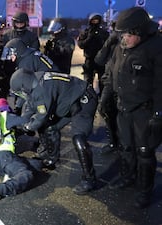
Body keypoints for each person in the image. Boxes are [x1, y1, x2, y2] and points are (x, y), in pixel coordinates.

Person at [102, 7, 162, 209]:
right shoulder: (121, 48)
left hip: (145, 110)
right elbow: (112, 74)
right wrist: (106, 98)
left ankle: (144, 189)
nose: (124, 39)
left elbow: (161, 84)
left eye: (128, 35)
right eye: (122, 34)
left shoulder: (156, 47)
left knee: (144, 151)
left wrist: (158, 113)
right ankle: (128, 176)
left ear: (139, 32)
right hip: (124, 107)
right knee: (126, 146)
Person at [10, 68, 98, 195]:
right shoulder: (35, 81)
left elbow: (40, 117)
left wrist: (27, 127)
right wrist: (20, 121)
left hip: (83, 100)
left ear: (24, 86)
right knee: (51, 128)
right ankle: (52, 158)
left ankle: (89, 179)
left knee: (79, 139)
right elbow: (30, 107)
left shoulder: (41, 89)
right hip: (69, 102)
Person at [1, 37, 59, 115]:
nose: (11, 59)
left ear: (17, 51)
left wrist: (18, 107)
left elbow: (25, 86)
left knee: (31, 106)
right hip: (53, 80)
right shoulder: (30, 53)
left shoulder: (26, 62)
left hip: (51, 85)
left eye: (11, 55)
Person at [0, 11, 40, 99]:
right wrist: (0, 66)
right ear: (13, 23)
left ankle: (19, 109)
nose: (19, 25)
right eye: (17, 23)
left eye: (21, 23)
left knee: (23, 91)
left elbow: (35, 51)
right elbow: (0, 50)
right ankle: (1, 108)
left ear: (26, 23)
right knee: (2, 90)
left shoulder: (32, 36)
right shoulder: (6, 35)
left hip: (24, 67)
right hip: (8, 66)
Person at [94, 13, 120, 154]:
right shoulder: (112, 42)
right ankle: (113, 141)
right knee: (103, 108)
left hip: (126, 82)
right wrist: (109, 42)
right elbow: (99, 59)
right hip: (110, 80)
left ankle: (123, 142)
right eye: (115, 27)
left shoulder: (133, 42)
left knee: (123, 113)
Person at [77, 13, 109, 92]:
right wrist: (89, 38)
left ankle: (102, 99)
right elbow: (81, 44)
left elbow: (108, 45)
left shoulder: (103, 32)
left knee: (102, 81)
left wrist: (100, 40)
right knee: (88, 81)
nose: (95, 22)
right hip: (89, 59)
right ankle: (89, 97)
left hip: (101, 59)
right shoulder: (86, 32)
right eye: (93, 20)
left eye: (97, 20)